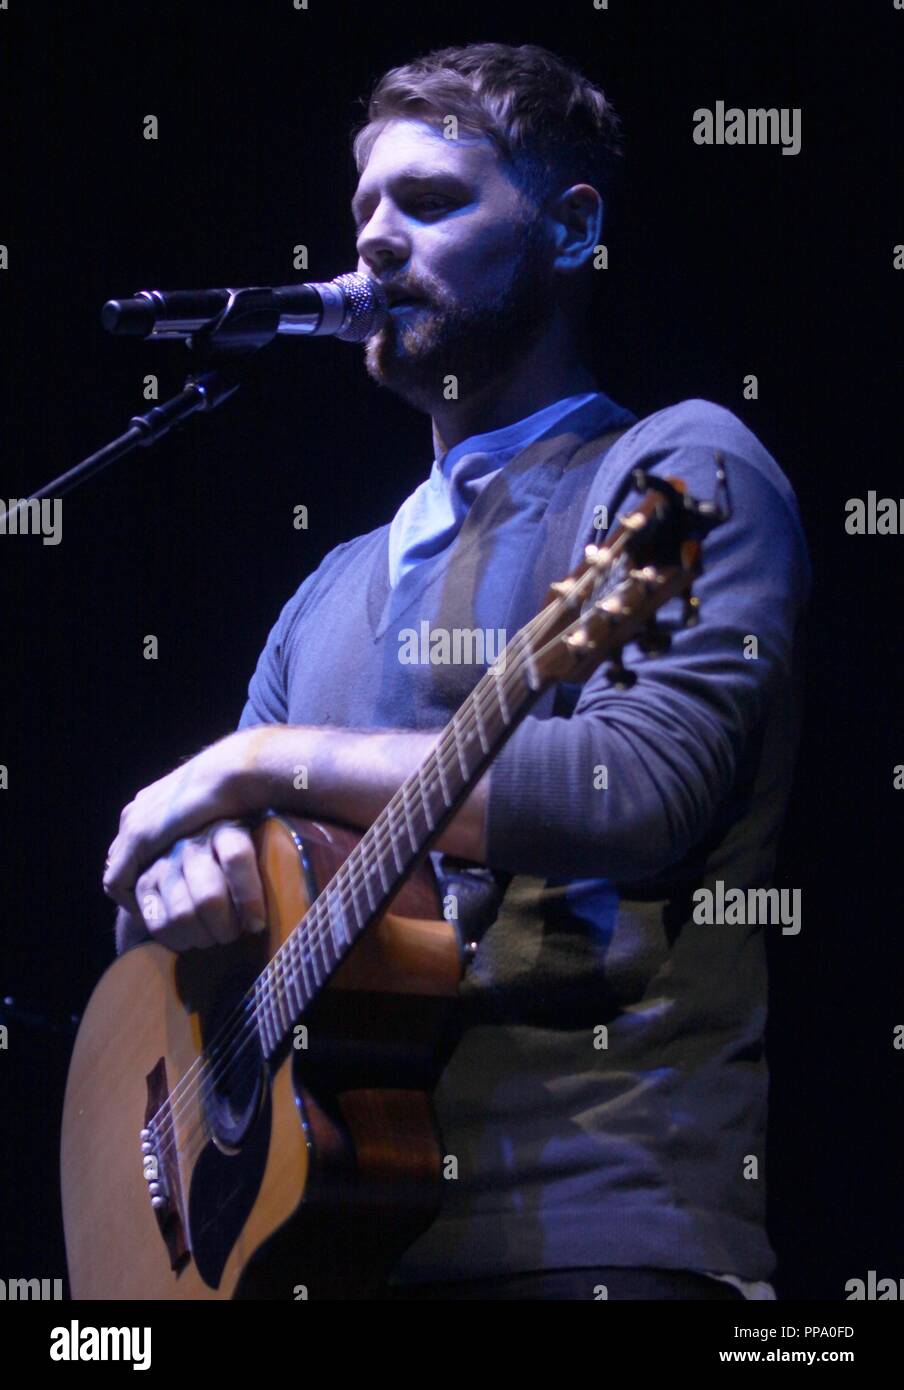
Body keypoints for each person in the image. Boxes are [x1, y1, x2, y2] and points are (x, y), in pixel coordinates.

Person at [104, 42, 810, 1300]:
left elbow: (633, 787)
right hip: (312, 1241)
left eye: (429, 202)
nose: (375, 239)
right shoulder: (325, 590)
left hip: (593, 1229)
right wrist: (179, 883)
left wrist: (263, 761)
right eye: (363, 208)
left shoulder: (676, 470)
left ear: (571, 228)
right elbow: (183, 928)